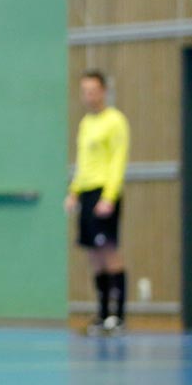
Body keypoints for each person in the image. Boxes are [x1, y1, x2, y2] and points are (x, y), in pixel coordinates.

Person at [63, 69, 131, 336]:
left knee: (110, 254)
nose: (88, 96)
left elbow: (118, 160)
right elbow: (83, 164)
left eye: (93, 90)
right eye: (84, 91)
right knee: (94, 256)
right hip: (88, 192)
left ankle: (118, 315)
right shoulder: (85, 123)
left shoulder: (115, 121)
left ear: (103, 91)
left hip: (105, 192)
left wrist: (109, 197)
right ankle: (103, 314)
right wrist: (74, 192)